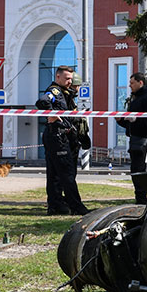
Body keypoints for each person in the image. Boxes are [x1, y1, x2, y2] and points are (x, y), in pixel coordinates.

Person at [36, 65, 89, 215]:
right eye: (67, 79)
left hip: (58, 136)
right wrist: (51, 113)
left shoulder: (65, 93)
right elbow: (42, 101)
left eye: (71, 79)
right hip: (57, 136)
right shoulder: (54, 91)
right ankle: (76, 207)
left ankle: (56, 205)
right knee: (67, 173)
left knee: (54, 174)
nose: (70, 82)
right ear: (58, 77)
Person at [116, 72, 147, 205]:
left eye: (132, 83)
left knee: (138, 169)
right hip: (134, 138)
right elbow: (130, 123)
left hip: (143, 138)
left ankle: (142, 200)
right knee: (135, 169)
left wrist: (136, 120)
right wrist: (121, 120)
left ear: (140, 83)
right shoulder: (135, 98)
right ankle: (140, 199)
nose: (130, 86)